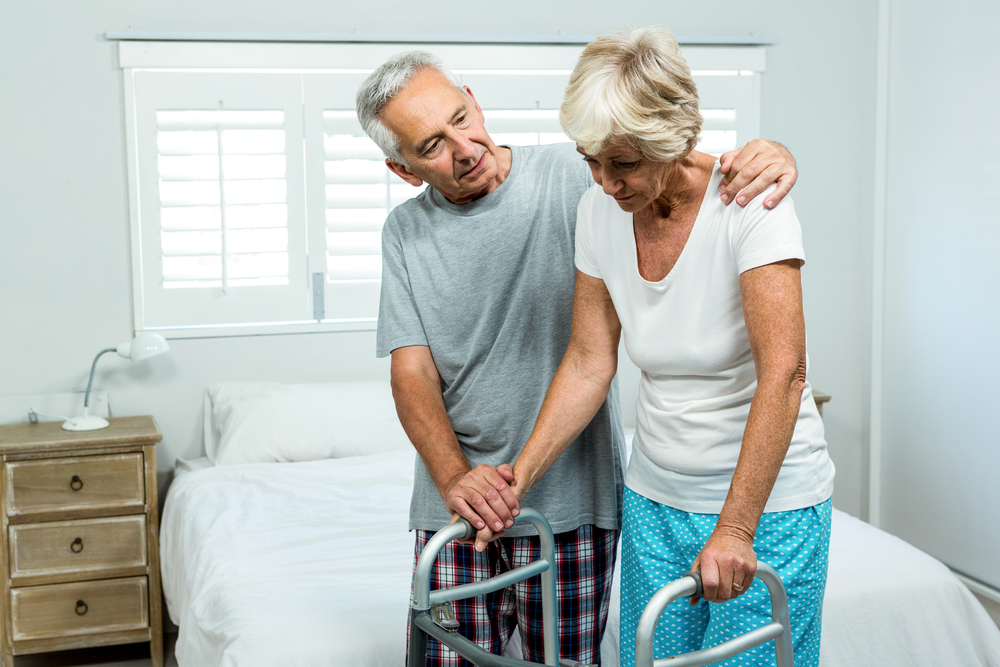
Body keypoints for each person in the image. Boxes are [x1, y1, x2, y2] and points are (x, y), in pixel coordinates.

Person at [354, 50, 799, 666]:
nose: (463, 147)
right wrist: (458, 476)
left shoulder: (579, 175)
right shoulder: (408, 232)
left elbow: (672, 157)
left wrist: (769, 153)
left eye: (461, 117)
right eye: (432, 144)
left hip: (576, 498)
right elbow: (413, 373)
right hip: (458, 499)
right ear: (404, 170)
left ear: (475, 100)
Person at [508, 27, 835, 667]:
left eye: (624, 163)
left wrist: (737, 528)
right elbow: (588, 360)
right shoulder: (597, 213)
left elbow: (785, 373)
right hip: (655, 494)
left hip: (765, 505)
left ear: (677, 138)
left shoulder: (750, 206)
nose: (604, 182)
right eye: (590, 160)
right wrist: (518, 480)